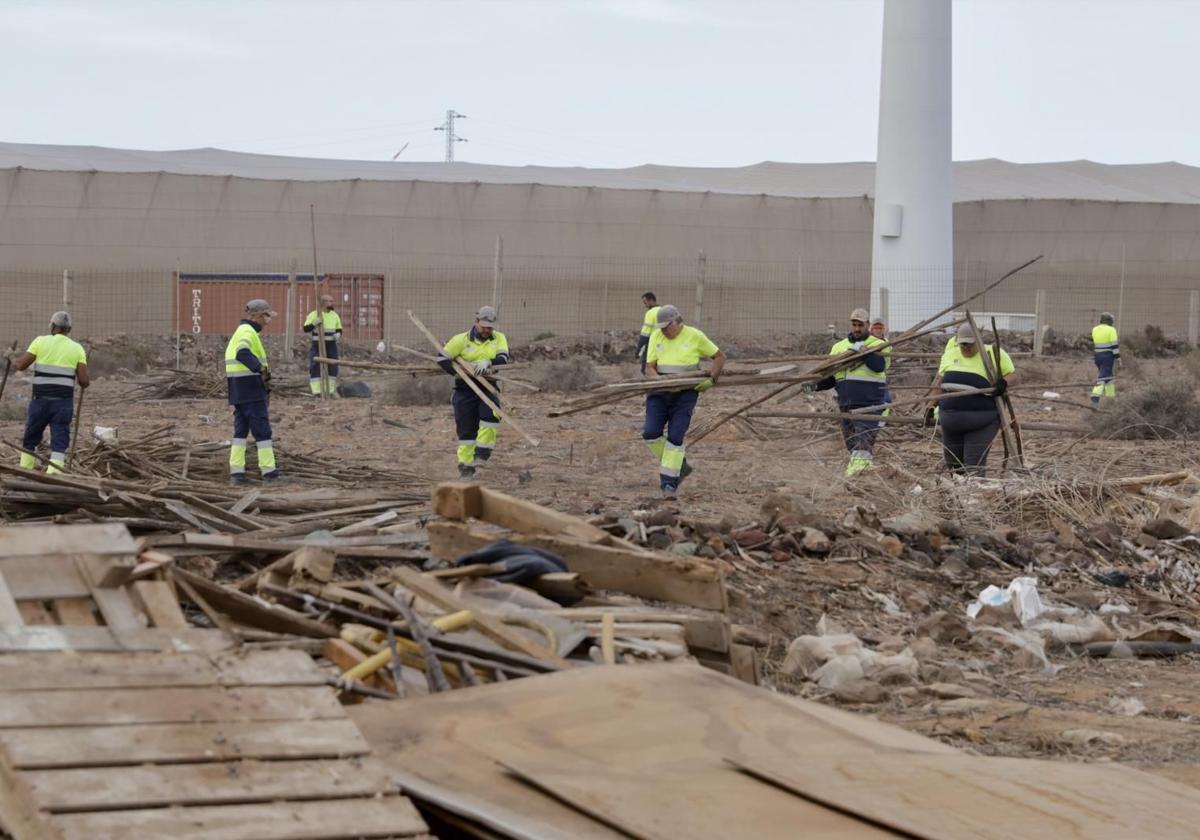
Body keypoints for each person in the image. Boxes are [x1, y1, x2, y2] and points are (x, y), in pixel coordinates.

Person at [643, 304, 725, 499]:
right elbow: (649, 367)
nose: (663, 330)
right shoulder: (656, 336)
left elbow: (720, 357)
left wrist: (711, 379)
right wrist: (657, 380)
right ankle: (680, 465)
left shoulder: (695, 336)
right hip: (660, 392)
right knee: (651, 433)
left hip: (685, 394)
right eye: (661, 327)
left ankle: (669, 484)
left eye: (667, 326)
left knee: (675, 438)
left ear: (677, 321)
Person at [925, 323, 1016, 476]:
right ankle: (957, 496)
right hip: (950, 422)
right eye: (963, 344)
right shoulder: (950, 354)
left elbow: (1013, 375)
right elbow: (939, 381)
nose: (966, 348)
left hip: (982, 421)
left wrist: (1003, 383)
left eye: (970, 344)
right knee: (953, 465)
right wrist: (930, 406)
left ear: (978, 340)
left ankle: (974, 496)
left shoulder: (993, 353)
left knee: (973, 466)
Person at [8, 311, 89, 474]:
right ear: (69, 329)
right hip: (63, 404)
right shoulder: (77, 348)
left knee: (31, 436)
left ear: (52, 326)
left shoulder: (40, 342)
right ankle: (55, 474)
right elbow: (84, 381)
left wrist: (10, 357)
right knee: (60, 439)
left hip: (40, 401)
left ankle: (25, 470)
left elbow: (21, 365)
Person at [812, 308, 889, 477]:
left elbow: (878, 367)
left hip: (869, 403)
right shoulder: (839, 347)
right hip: (846, 403)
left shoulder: (877, 344)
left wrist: (864, 352)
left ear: (867, 325)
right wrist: (815, 385)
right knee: (852, 444)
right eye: (854, 325)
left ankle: (857, 477)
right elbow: (833, 377)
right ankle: (864, 474)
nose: (856, 328)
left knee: (863, 442)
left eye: (860, 325)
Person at [438, 305, 509, 479]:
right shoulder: (461, 340)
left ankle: (482, 454)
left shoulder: (499, 338)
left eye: (490, 327)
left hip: (488, 386)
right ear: (476, 322)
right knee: (466, 431)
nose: (486, 330)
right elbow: (441, 358)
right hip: (464, 389)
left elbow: (503, 358)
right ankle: (466, 468)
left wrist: (488, 362)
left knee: (491, 416)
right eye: (484, 326)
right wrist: (461, 372)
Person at [225, 299, 281, 483]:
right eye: (266, 316)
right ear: (256, 315)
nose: (268, 321)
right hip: (251, 390)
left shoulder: (241, 331)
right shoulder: (247, 332)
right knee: (263, 433)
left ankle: (237, 473)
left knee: (240, 433)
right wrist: (261, 370)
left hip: (238, 391)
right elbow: (242, 353)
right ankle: (269, 473)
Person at [304, 293, 342, 397]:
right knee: (315, 366)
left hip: (331, 345)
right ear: (323, 303)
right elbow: (306, 328)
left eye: (332, 301)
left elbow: (339, 329)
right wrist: (314, 323)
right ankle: (317, 391)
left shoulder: (335, 315)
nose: (331, 303)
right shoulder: (314, 314)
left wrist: (338, 334)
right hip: (318, 344)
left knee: (333, 366)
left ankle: (330, 390)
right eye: (329, 301)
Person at [1091, 312, 1119, 404]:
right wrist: (1118, 357)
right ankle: (1095, 396)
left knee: (1108, 377)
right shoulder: (1111, 330)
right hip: (1107, 357)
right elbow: (1114, 346)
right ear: (1109, 320)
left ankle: (1111, 398)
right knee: (1103, 377)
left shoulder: (1094, 329)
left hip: (1097, 356)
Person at [870, 318, 893, 420]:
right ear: (871, 329)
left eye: (880, 328)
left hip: (882, 376)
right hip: (870, 376)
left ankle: (882, 421)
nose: (878, 330)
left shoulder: (887, 343)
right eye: (876, 328)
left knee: (886, 400)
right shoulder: (869, 342)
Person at [636, 292, 660, 375]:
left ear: (651, 300)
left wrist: (638, 350)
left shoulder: (650, 313)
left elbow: (645, 335)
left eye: (645, 303)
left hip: (652, 345)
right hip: (664, 344)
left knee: (646, 368)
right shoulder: (663, 310)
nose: (645, 305)